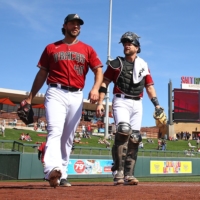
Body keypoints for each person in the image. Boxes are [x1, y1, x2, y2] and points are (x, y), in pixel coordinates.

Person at [20, 13, 103, 188]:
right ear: (64, 26)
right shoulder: (51, 47)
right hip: (55, 91)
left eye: (79, 24)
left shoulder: (87, 49)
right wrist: (30, 98)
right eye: (72, 23)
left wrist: (95, 88)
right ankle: (51, 169)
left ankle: (62, 174)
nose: (76, 26)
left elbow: (98, 71)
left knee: (68, 137)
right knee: (54, 130)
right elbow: (42, 73)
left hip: (77, 94)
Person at [96, 31, 163, 185]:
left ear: (137, 47)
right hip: (121, 100)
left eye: (130, 43)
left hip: (138, 102)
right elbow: (105, 82)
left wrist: (157, 105)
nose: (126, 45)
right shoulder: (116, 63)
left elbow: (149, 86)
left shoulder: (143, 65)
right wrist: (100, 102)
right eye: (125, 43)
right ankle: (118, 171)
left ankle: (129, 174)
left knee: (135, 138)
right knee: (123, 131)